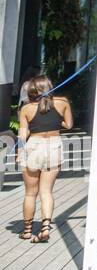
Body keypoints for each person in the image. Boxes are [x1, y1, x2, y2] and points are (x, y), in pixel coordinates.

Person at [16, 76, 71, 243]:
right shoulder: (62, 102)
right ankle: (45, 227)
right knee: (46, 191)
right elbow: (68, 125)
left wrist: (19, 151)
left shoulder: (26, 108)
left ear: (32, 89)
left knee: (30, 193)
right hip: (54, 146)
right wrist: (55, 121)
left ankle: (27, 231)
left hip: (33, 146)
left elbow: (23, 133)